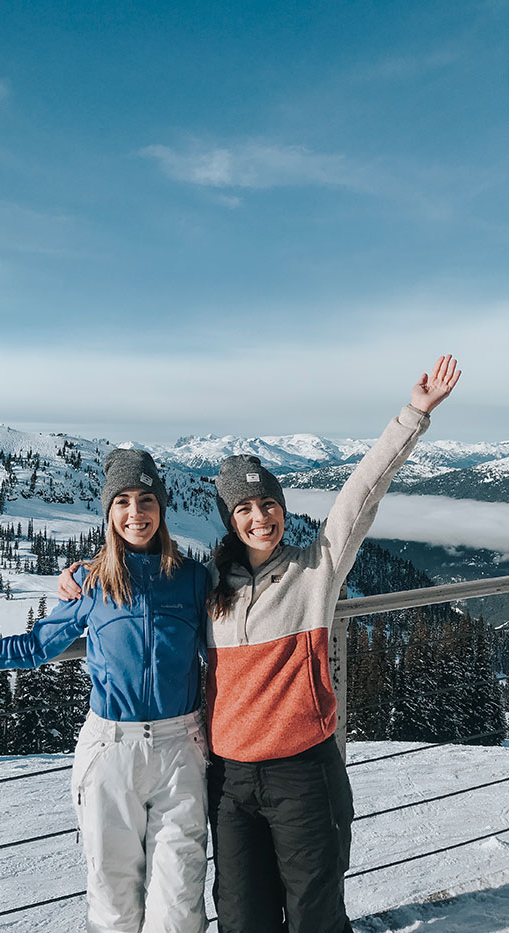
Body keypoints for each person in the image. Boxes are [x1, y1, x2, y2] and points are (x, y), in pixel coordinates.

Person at [57, 353, 462, 933]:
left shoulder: (314, 570)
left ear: (282, 507)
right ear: (229, 519)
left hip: (302, 772)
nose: (259, 518)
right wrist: (83, 574)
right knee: (242, 921)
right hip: (229, 781)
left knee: (313, 918)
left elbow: (359, 496)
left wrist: (413, 416)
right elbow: (149, 598)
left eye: (267, 504)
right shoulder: (207, 587)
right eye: (243, 509)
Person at [0, 448, 212, 933]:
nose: (136, 513)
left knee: (178, 908)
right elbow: (34, 648)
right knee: (113, 904)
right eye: (123, 502)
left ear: (162, 506)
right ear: (109, 512)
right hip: (111, 749)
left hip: (181, 750)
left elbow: (225, 648)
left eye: (147, 500)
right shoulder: (93, 583)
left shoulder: (193, 580)